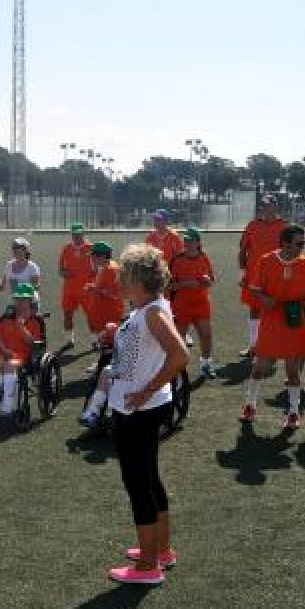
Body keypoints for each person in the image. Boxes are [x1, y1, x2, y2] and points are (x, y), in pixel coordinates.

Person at [104, 245, 188, 586]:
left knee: (137, 482)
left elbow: (180, 355)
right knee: (149, 477)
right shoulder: (149, 308)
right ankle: (161, 550)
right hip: (140, 406)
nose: (119, 282)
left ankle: (148, 566)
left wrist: (147, 390)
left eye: (124, 276)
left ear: (138, 280)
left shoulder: (152, 313)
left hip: (139, 410)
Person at [241, 224, 305, 428]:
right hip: (271, 322)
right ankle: (250, 405)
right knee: (260, 368)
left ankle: (293, 412)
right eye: (299, 243)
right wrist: (264, 298)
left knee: (293, 371)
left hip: (295, 322)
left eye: (303, 243)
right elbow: (254, 288)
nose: (303, 247)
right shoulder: (266, 261)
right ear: (285, 243)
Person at [0, 284, 44, 415]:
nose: (19, 302)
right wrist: (4, 350)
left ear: (31, 301)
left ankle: (8, 405)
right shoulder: (7, 318)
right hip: (2, 351)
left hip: (22, 355)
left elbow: (33, 343)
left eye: (23, 299)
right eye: (17, 299)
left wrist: (22, 328)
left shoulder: (35, 321)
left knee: (9, 365)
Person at [237, 195, 288, 357]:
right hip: (254, 274)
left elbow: (292, 250)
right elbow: (243, 250)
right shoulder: (252, 225)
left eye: (270, 204)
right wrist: (242, 273)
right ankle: (253, 346)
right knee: (254, 309)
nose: (267, 208)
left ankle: (275, 345)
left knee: (278, 309)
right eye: (265, 205)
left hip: (277, 275)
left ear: (276, 206)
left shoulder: (285, 226)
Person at [168, 228, 216, 378]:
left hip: (201, 303)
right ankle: (179, 368)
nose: (187, 243)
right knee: (179, 338)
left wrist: (207, 281)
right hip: (181, 305)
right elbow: (169, 285)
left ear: (198, 243)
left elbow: (211, 279)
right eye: (186, 240)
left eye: (191, 240)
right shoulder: (176, 260)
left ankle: (206, 364)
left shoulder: (204, 257)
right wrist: (186, 284)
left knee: (206, 335)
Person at [85, 242, 126, 370]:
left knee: (110, 342)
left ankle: (108, 366)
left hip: (109, 314)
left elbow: (116, 293)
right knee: (105, 342)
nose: (92, 258)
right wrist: (94, 287)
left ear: (102, 256)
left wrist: (95, 289)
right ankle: (103, 364)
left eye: (94, 256)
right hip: (102, 312)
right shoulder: (105, 267)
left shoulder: (110, 270)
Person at [59, 223, 95, 350]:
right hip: (69, 290)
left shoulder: (91, 248)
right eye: (74, 234)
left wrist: (93, 276)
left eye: (79, 234)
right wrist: (64, 273)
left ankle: (95, 340)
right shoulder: (66, 249)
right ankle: (69, 340)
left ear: (83, 233)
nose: (77, 237)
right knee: (67, 314)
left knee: (91, 315)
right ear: (71, 234)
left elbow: (99, 267)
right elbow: (60, 270)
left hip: (86, 289)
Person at [0, 237, 41, 305]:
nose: (15, 250)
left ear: (26, 250)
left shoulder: (32, 267)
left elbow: (36, 287)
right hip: (13, 302)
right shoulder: (9, 265)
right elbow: (3, 283)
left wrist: (19, 287)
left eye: (18, 247)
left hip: (30, 303)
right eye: (14, 248)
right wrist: (0, 285)